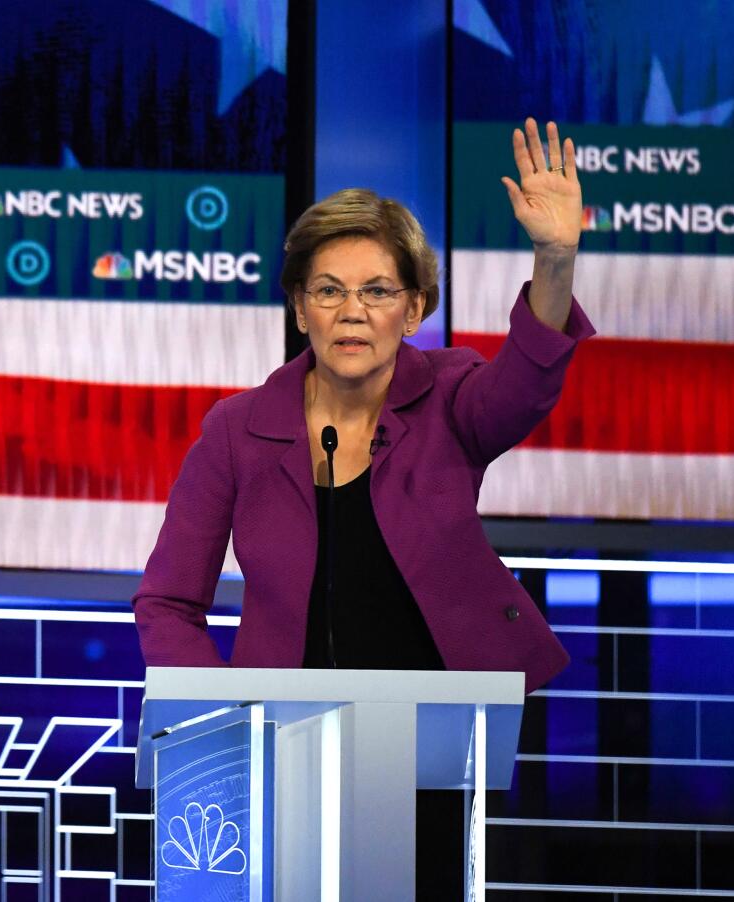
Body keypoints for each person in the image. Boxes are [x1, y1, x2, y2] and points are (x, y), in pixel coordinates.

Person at [132, 119, 592, 895]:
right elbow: (168, 601)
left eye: (378, 291)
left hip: (431, 746)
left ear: (413, 311)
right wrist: (223, 721)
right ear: (300, 309)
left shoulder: (452, 399)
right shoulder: (237, 431)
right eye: (329, 290)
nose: (353, 311)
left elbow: (527, 382)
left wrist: (554, 258)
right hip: (275, 749)